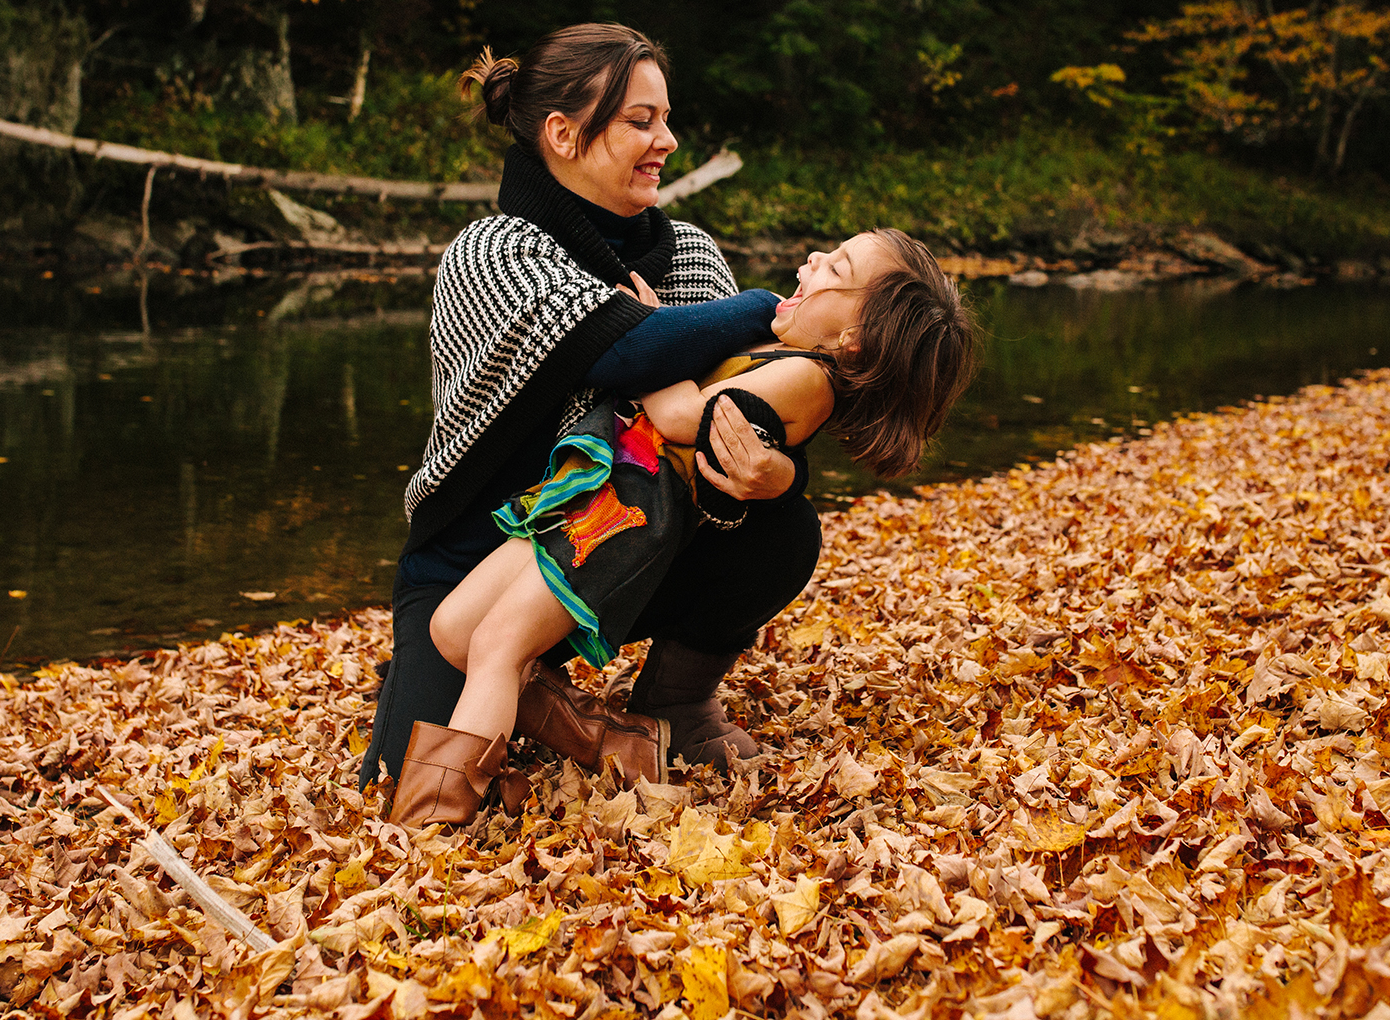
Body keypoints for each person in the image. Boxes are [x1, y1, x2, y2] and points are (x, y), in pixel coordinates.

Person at [358, 23, 818, 794]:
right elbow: (619, 351)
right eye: (642, 120)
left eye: (666, 118)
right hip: (469, 564)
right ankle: (507, 681)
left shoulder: (693, 257)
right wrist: (775, 309)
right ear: (563, 133)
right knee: (399, 779)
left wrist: (776, 470)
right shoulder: (492, 253)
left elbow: (754, 409)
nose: (667, 140)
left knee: (784, 524)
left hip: (614, 546)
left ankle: (678, 701)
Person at [389, 229, 978, 827]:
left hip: (626, 519)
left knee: (496, 646)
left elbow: (678, 417)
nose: (814, 259)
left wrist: (646, 331)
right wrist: (671, 326)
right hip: (589, 489)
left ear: (852, 339)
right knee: (453, 627)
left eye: (837, 266)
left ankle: (439, 815)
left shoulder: (810, 379)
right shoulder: (772, 346)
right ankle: (605, 738)